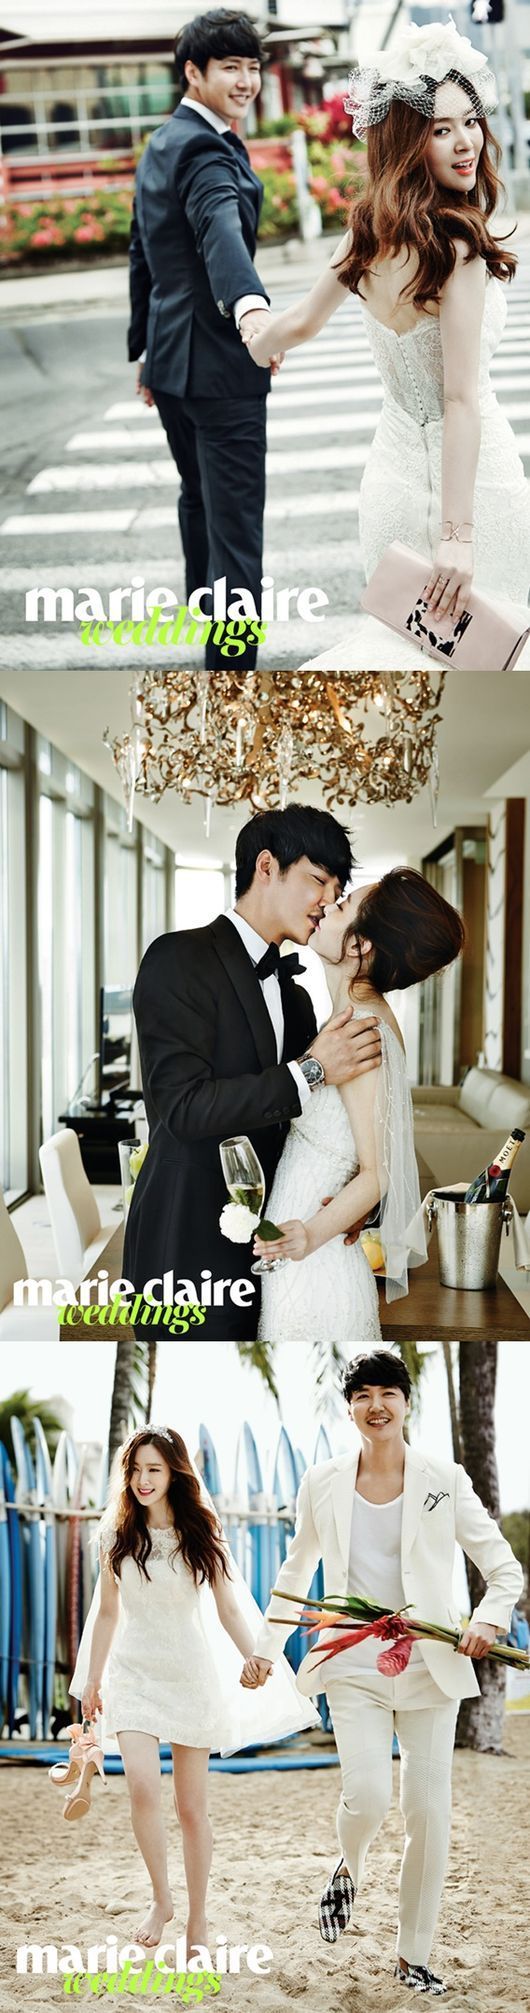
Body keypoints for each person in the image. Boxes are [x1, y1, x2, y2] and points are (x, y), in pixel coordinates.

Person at [247, 18, 530, 671]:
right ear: (407, 140)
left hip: (392, 484)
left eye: (470, 122)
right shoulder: (457, 246)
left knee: (405, 658)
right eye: (441, 129)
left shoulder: (366, 231)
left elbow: (298, 325)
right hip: (477, 490)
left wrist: (255, 337)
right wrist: (457, 537)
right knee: (490, 659)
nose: (466, 141)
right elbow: (459, 400)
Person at [244, 1350, 523, 1996]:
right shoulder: (321, 1482)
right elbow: (295, 1571)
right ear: (349, 1409)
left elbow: (503, 1567)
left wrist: (487, 1619)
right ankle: (351, 1862)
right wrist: (266, 1648)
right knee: (367, 1796)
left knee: (427, 1812)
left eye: (387, 1393)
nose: (376, 1405)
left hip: (431, 1663)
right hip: (352, 1661)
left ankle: (412, 1955)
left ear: (405, 1403)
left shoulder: (444, 1478)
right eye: (362, 1395)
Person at [124, 803, 382, 1341]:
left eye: (338, 890)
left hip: (272, 1251)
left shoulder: (296, 996)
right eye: (319, 880)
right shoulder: (178, 958)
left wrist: (348, 1204)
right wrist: (312, 1070)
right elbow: (182, 1108)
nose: (328, 900)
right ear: (267, 866)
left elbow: (303, 1129)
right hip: (186, 1246)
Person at [69, 1426, 318, 1957]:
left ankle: (198, 1919)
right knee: (142, 1788)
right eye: (136, 1470)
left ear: (174, 1473)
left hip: (190, 1675)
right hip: (133, 1674)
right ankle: (161, 1899)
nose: (143, 1480)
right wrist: (92, 1678)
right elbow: (107, 1613)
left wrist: (256, 1655)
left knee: (191, 1809)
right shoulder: (115, 1535)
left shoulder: (201, 1531)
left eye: (154, 1470)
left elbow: (229, 1607)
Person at [128, 10, 280, 671]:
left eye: (253, 67)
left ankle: (209, 620)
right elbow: (219, 230)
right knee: (236, 531)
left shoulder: (163, 142)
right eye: (230, 68)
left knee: (199, 500)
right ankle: (232, 678)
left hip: (171, 367)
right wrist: (251, 312)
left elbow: (143, 251)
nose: (246, 81)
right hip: (219, 370)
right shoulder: (205, 150)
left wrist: (146, 350)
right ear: (194, 72)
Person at [254, 868, 464, 1341]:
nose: (328, 906)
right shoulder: (351, 1021)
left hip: (315, 1255)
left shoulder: (363, 1031)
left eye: (343, 905)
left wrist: (310, 1235)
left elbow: (378, 1172)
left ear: (359, 944)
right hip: (302, 1243)